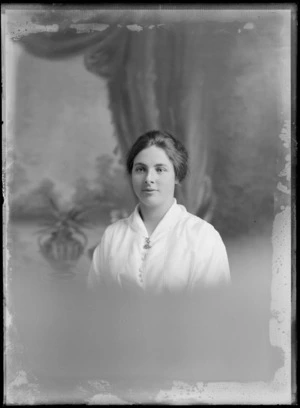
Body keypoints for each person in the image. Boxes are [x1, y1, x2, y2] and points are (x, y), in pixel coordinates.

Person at [88, 130, 230, 294]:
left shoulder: (202, 236)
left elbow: (212, 310)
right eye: (140, 169)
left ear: (177, 176)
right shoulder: (113, 236)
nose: (149, 178)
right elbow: (95, 304)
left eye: (160, 169)